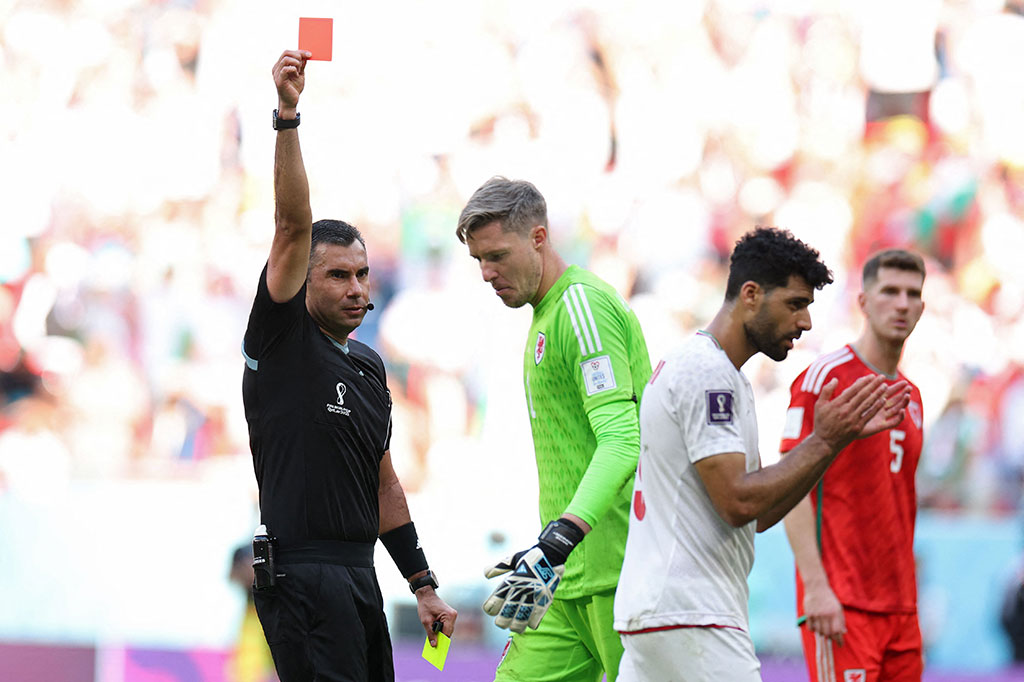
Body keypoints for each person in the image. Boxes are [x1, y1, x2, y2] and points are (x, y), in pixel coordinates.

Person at [240, 49, 456, 682]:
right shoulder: (282, 339)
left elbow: (383, 482)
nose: (358, 288)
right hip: (300, 576)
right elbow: (290, 225)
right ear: (301, 280)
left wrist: (421, 583)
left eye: (363, 274)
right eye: (338, 275)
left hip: (362, 578)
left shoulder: (367, 367)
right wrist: (287, 116)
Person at [613, 227, 911, 681]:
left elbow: (757, 513)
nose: (806, 322)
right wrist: (825, 440)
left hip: (665, 611)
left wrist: (835, 444)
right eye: (795, 304)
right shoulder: (707, 372)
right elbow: (740, 503)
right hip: (691, 614)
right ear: (750, 294)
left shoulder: (717, 373)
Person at [456, 176, 652, 681]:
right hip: (561, 579)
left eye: (496, 255)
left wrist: (561, 536)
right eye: (479, 259)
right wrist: (549, 549)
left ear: (539, 238)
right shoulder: (545, 315)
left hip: (618, 573)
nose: (486, 272)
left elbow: (622, 438)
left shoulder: (581, 307)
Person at [781, 249, 927, 682]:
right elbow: (790, 489)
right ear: (863, 302)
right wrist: (816, 588)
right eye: (889, 291)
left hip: (901, 607)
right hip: (841, 604)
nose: (902, 303)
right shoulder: (825, 378)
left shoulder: (913, 396)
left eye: (913, 293)